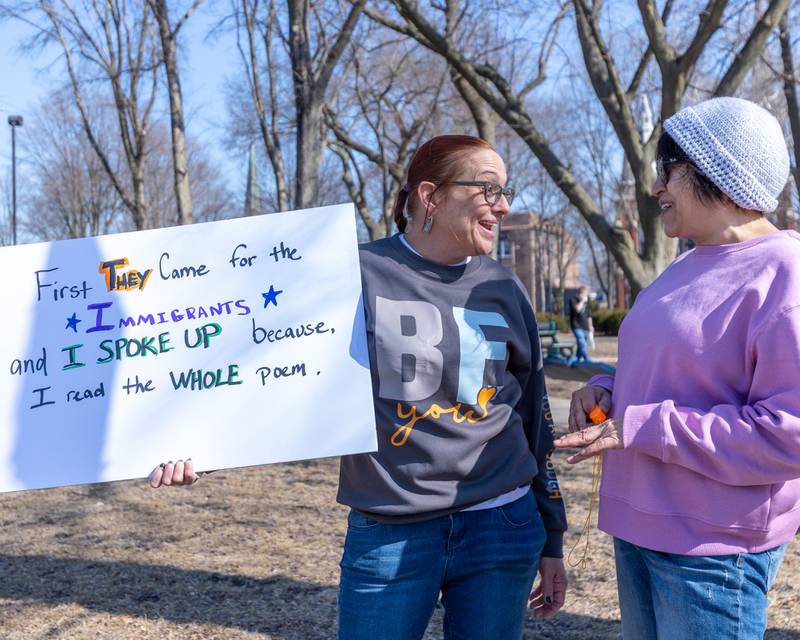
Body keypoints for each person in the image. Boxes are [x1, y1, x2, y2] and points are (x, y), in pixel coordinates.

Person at [150, 135, 568, 639]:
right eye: (487, 190)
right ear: (431, 196)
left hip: (502, 525)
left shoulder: (504, 288)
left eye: (505, 191)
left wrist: (552, 536)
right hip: (390, 533)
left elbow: (533, 417)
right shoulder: (353, 276)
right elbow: (278, 376)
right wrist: (203, 450)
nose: (502, 206)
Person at [554, 97, 800, 639]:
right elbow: (671, 373)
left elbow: (790, 436)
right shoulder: (684, 264)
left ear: (720, 172)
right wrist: (605, 391)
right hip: (641, 529)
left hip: (713, 551)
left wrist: (640, 427)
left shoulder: (786, 273)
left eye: (669, 170)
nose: (657, 187)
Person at [568, 285, 594, 365]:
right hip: (576, 326)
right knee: (582, 343)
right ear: (580, 294)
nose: (586, 296)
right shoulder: (573, 300)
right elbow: (577, 309)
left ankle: (575, 360)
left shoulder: (587, 304)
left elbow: (589, 316)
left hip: (585, 327)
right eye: (584, 294)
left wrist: (591, 326)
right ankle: (587, 358)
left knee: (581, 346)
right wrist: (582, 301)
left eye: (587, 295)